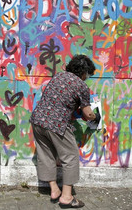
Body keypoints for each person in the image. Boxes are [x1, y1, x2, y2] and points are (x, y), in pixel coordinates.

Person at [29, 54, 100, 208]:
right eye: (88, 74)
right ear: (84, 73)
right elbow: (87, 114)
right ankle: (67, 197)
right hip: (56, 124)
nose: (87, 77)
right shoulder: (81, 86)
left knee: (46, 155)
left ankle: (54, 190)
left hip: (37, 120)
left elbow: (61, 100)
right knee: (71, 156)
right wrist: (94, 116)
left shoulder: (58, 76)